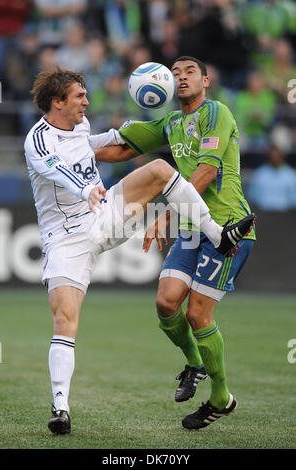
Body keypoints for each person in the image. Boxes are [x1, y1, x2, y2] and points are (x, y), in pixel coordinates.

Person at [24, 67, 254, 435]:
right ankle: (61, 407)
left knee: (160, 169)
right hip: (67, 238)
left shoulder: (81, 128)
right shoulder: (37, 139)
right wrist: (87, 191)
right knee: (65, 320)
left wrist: (125, 133)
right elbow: (55, 168)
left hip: (104, 215)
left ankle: (217, 233)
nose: (87, 100)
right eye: (80, 96)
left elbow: (102, 143)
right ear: (57, 102)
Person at [95, 56, 256, 430]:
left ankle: (221, 397)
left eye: (189, 72)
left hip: (228, 225)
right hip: (190, 227)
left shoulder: (217, 112)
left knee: (198, 315)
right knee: (166, 304)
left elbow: (207, 169)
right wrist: (69, 147)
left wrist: (168, 212)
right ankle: (196, 363)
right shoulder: (170, 122)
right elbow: (121, 149)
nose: (181, 78)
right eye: (176, 73)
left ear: (206, 79)